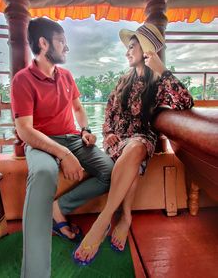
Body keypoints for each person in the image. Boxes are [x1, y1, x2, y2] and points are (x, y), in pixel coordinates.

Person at [73, 23, 194, 265]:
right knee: (132, 158)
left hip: (141, 141)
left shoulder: (159, 82)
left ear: (146, 50)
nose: (127, 52)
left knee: (137, 147)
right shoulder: (124, 79)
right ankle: (125, 216)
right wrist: (107, 134)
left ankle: (104, 218)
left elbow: (186, 103)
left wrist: (163, 71)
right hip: (117, 142)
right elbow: (109, 112)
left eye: (131, 47)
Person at [11, 17, 114, 278]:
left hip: (73, 139)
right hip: (42, 143)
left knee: (111, 172)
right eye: (62, 42)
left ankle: (60, 208)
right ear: (44, 44)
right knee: (44, 174)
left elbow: (78, 109)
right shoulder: (22, 80)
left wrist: (86, 130)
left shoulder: (66, 76)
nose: (66, 48)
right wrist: (63, 153)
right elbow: (25, 130)